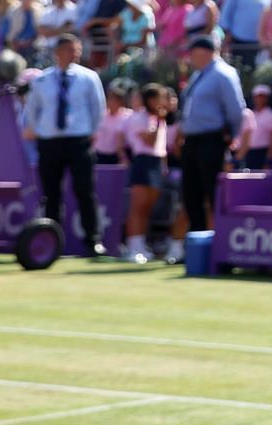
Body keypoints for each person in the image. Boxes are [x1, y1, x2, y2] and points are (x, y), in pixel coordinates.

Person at [20, 34, 107, 256]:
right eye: (69, 49)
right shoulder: (42, 80)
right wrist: (35, 129)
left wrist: (91, 131)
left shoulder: (89, 77)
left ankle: (93, 240)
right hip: (50, 142)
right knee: (51, 194)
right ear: (57, 52)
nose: (74, 53)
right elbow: (33, 109)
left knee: (85, 191)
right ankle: (52, 241)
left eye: (76, 49)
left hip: (78, 141)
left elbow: (98, 108)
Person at [176, 36, 243, 235]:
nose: (191, 57)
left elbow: (235, 110)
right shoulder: (199, 75)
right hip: (192, 140)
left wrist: (232, 134)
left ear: (204, 52)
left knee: (212, 191)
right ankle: (197, 242)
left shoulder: (224, 74)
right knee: (191, 193)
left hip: (212, 139)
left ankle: (220, 242)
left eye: (193, 52)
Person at [121, 83, 174, 263]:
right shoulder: (139, 118)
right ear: (151, 100)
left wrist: (164, 167)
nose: (164, 101)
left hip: (157, 163)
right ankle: (132, 247)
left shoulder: (160, 119)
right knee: (138, 206)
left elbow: (162, 148)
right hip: (143, 162)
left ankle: (141, 244)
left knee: (147, 208)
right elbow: (150, 141)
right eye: (161, 97)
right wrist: (159, 120)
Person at [217, 0, 272, 73]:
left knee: (254, 72)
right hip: (238, 39)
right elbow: (226, 12)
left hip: (259, 41)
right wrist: (227, 34)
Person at [233, 84, 272, 170]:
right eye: (258, 96)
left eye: (263, 96)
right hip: (247, 153)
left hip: (262, 153)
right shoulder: (250, 113)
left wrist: (268, 159)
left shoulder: (271, 115)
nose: (260, 99)